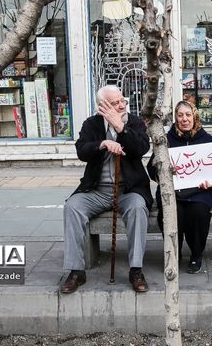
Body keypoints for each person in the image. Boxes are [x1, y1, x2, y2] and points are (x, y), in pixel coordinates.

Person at [61, 85, 153, 294]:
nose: (121, 105)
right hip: (97, 190)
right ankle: (76, 271)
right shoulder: (91, 124)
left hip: (128, 190)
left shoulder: (134, 122)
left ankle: (136, 269)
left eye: (122, 101)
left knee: (138, 208)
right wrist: (101, 143)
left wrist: (121, 128)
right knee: (72, 207)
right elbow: (81, 151)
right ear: (102, 106)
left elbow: (142, 148)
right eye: (115, 103)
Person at [147, 101, 212, 274]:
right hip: (172, 192)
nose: (184, 119)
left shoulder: (207, 139)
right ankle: (174, 253)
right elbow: (151, 169)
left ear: (194, 117)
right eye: (180, 115)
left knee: (198, 213)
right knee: (171, 213)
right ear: (175, 118)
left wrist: (210, 181)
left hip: (201, 192)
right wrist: (163, 171)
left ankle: (196, 254)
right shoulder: (166, 140)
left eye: (188, 115)